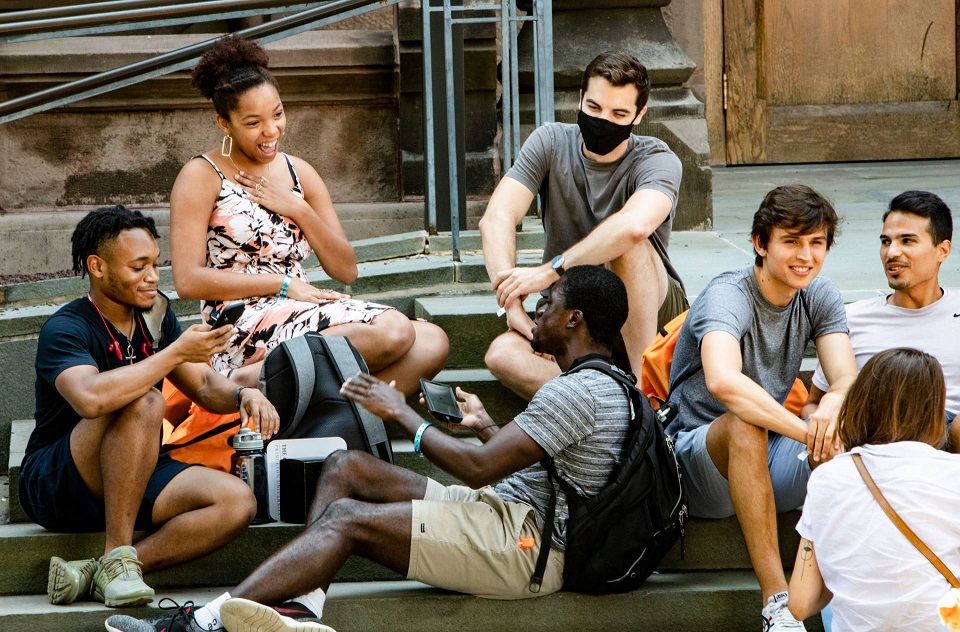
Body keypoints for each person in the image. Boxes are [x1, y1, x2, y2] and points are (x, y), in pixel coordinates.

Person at [105, 265, 633, 632]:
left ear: (574, 320)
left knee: (347, 521)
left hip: (530, 550)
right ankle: (302, 610)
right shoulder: (601, 383)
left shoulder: (577, 391)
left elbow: (477, 470)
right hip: (509, 512)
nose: (536, 314)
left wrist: (400, 412)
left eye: (548, 305)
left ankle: (199, 623)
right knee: (345, 466)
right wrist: (485, 425)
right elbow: (533, 464)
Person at [18, 206, 279, 609]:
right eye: (139, 267)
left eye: (156, 264)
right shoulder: (66, 327)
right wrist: (172, 352)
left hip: (133, 465)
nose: (153, 277)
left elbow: (205, 384)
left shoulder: (156, 316)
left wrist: (244, 395)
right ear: (98, 267)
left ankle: (98, 568)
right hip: (59, 479)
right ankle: (119, 553)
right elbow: (91, 398)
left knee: (237, 502)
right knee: (144, 398)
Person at [170, 34, 448, 395]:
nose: (271, 131)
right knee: (395, 330)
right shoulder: (201, 175)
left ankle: (331, 415)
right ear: (225, 123)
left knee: (432, 340)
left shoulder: (301, 172)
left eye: (278, 114)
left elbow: (345, 269)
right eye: (253, 122)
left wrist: (297, 207)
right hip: (242, 322)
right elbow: (188, 281)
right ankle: (244, 383)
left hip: (299, 306)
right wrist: (283, 284)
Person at [664, 185, 858, 631]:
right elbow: (723, 381)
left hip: (766, 453)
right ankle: (778, 605)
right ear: (759, 243)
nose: (805, 256)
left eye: (816, 243)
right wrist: (805, 430)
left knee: (849, 438)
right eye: (791, 241)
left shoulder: (818, 293)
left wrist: (830, 410)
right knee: (745, 423)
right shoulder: (729, 294)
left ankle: (852, 593)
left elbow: (845, 377)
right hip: (695, 457)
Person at [480, 50, 686, 400]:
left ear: (640, 115)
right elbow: (496, 218)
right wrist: (512, 304)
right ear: (579, 99)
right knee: (502, 355)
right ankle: (614, 400)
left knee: (628, 245)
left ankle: (645, 397)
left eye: (619, 113)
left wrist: (551, 271)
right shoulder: (550, 141)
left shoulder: (658, 159)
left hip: (648, 317)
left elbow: (634, 227)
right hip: (573, 317)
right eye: (593, 108)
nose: (603, 120)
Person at [789, 348, 960, 631]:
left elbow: (800, 603)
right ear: (935, 410)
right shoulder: (954, 473)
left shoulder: (828, 478)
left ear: (861, 404)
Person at [805, 190, 958, 448]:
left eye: (907, 241)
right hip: (877, 439)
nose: (892, 253)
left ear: (942, 250)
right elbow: (813, 403)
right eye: (886, 242)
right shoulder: (852, 319)